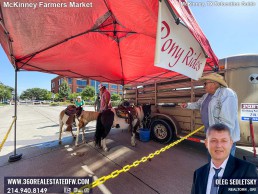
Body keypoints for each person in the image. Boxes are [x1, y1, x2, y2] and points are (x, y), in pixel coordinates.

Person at [180, 73, 240, 156]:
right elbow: (198, 104)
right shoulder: (206, 95)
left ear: (214, 83)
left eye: (205, 83)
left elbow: (227, 122)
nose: (204, 86)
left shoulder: (227, 94)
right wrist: (187, 105)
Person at [191, 123, 257, 194]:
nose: (219, 145)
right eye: (214, 140)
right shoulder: (199, 174)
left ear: (231, 143)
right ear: (206, 143)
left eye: (224, 141)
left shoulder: (246, 170)